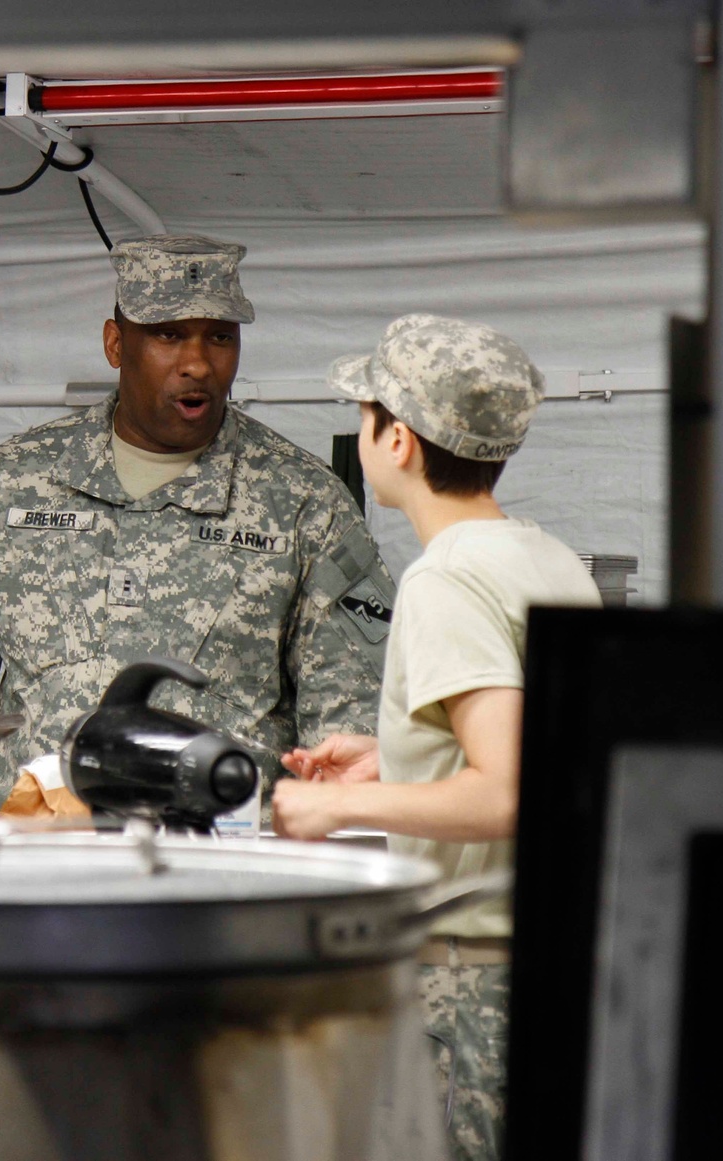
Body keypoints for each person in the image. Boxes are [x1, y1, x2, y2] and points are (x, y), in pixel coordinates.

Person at [0, 234, 395, 815]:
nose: (198, 363)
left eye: (220, 337)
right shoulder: (13, 481)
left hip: (217, 866)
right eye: (168, 335)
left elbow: (350, 725)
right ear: (115, 343)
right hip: (36, 862)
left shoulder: (304, 502)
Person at [271, 313, 602, 1161]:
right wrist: (400, 752)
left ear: (400, 441)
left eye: (367, 410)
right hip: (538, 967)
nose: (360, 428)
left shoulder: (446, 577)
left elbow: (507, 790)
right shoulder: (545, 558)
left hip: (468, 979)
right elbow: (550, 749)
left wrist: (327, 810)